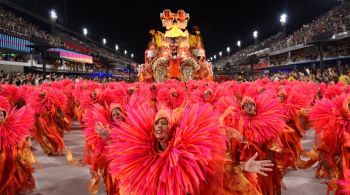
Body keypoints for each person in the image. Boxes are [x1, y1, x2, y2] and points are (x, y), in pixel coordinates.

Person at [0, 96, 36, 194]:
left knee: (11, 172)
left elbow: (19, 138)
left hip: (10, 155)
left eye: (1, 115)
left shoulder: (10, 126)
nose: (0, 117)